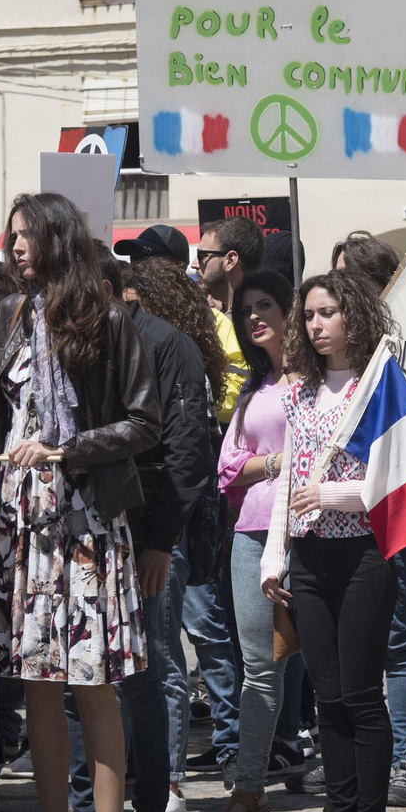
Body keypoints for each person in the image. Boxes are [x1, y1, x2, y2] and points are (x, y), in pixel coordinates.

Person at [0, 193, 160, 812]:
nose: (12, 247)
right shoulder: (11, 316)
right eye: (9, 236)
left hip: (86, 520)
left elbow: (143, 423)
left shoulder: (108, 319)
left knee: (91, 682)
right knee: (36, 683)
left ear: (54, 240)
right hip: (22, 520)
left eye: (24, 236)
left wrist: (65, 450)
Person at [84, 251, 222, 812]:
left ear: (110, 288)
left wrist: (163, 540)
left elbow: (188, 451)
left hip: (146, 533)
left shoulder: (167, 345)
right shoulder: (72, 339)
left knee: (147, 671)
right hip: (84, 530)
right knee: (86, 677)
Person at [260, 271, 399, 812]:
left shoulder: (381, 386)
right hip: (310, 556)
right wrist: (275, 553)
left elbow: (398, 475)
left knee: (363, 693)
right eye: (309, 314)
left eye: (328, 312)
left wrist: (333, 495)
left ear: (355, 317)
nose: (316, 325)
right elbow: (290, 474)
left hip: (366, 552)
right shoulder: (297, 393)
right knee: (327, 695)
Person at [125, 223, 245, 780]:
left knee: (174, 646)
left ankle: (176, 771)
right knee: (146, 649)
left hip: (168, 520)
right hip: (133, 521)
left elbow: (187, 448)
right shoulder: (124, 340)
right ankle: (144, 763)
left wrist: (163, 535)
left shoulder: (179, 346)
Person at [208, 269, 310, 812]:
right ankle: (249, 793)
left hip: (315, 532)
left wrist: (263, 463)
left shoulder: (319, 383)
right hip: (251, 537)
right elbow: (227, 468)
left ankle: (347, 803)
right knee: (260, 670)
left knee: (326, 667)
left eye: (266, 304)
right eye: (246, 309)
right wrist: (274, 464)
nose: (254, 317)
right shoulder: (254, 387)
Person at [330, 237, 406, 806]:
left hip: (391, 505)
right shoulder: (334, 355)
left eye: (345, 281)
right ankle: (350, 754)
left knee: (393, 641)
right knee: (346, 648)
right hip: (335, 520)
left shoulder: (398, 353)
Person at [194, 216, 264, 422]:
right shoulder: (217, 319)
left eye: (203, 255)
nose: (194, 263)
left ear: (231, 260)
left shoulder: (261, 323)